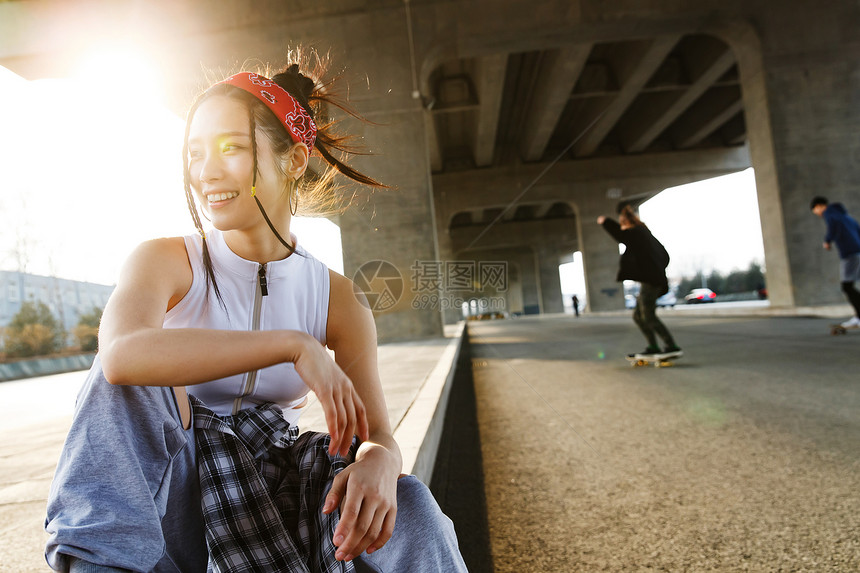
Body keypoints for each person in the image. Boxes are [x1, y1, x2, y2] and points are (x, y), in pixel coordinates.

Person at [45, 52, 467, 573]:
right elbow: (120, 358)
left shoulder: (337, 298)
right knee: (132, 380)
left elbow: (375, 431)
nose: (206, 172)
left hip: (279, 483)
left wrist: (380, 459)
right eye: (195, 152)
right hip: (173, 495)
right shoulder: (166, 260)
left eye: (231, 148)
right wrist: (293, 345)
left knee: (414, 509)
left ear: (293, 159)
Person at [598, 204, 681, 357]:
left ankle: (671, 346)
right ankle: (653, 346)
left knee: (648, 315)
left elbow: (621, 236)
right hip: (652, 280)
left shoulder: (636, 233)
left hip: (652, 281)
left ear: (625, 223)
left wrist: (606, 222)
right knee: (638, 316)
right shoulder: (645, 235)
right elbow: (665, 255)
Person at [810, 196, 860, 328]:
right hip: (857, 252)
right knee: (850, 286)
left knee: (847, 287)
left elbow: (833, 225)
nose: (817, 214)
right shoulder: (846, 217)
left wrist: (827, 240)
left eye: (815, 210)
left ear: (819, 206)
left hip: (850, 254)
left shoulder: (829, 213)